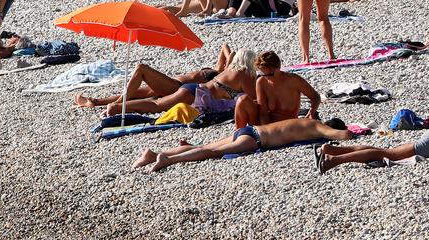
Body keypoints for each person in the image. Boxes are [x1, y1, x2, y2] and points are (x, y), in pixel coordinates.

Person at [134, 115, 356, 172]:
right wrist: (354, 133)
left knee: (201, 145)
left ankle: (153, 154)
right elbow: (342, 136)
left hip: (249, 129)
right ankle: (168, 159)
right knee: (210, 152)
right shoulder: (317, 126)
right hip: (255, 139)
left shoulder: (304, 120)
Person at [74, 45, 246, 110]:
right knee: (136, 92)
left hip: (176, 87)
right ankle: (95, 101)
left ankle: (118, 103)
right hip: (174, 84)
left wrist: (233, 61)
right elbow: (225, 46)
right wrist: (232, 56)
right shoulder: (218, 69)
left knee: (142, 69)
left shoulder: (222, 76)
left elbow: (228, 58)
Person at [105, 48, 256, 118]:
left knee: (156, 104)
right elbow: (255, 99)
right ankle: (116, 107)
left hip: (193, 89)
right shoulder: (244, 74)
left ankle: (117, 106)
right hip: (195, 94)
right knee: (156, 106)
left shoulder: (229, 70)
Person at [237, 51, 320, 128]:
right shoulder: (262, 82)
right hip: (268, 125)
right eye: (263, 74)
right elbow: (263, 112)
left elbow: (315, 97)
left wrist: (311, 112)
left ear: (278, 68)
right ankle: (238, 133)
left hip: (288, 125)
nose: (267, 78)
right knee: (242, 100)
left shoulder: (293, 80)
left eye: (270, 75)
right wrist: (266, 130)